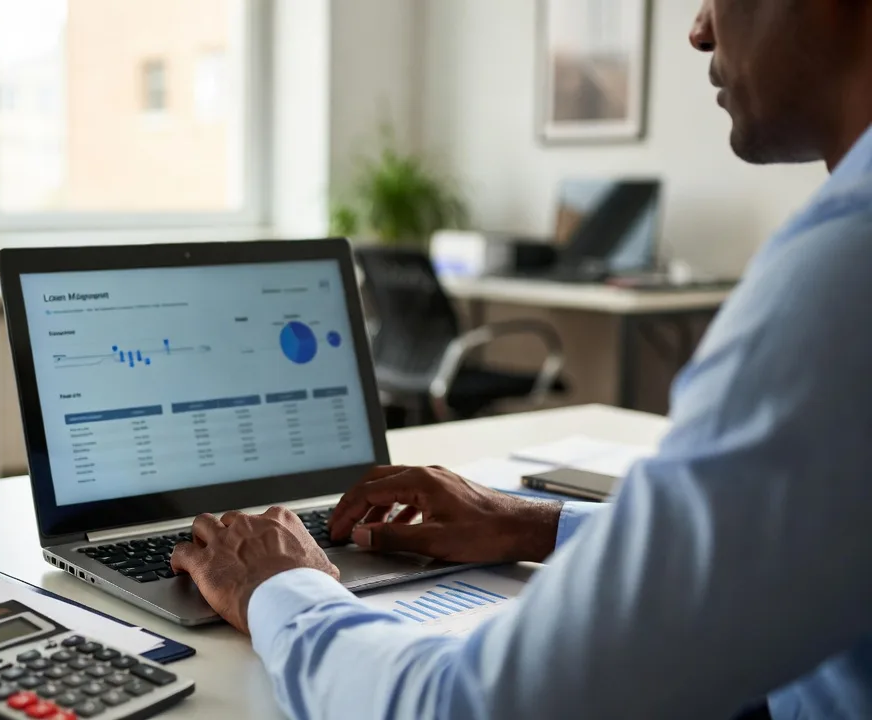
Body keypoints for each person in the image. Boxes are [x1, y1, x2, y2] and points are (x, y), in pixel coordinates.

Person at [169, 1, 872, 718]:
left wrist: (281, 589)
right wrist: (532, 523)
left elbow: (474, 707)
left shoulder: (846, 272)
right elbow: (757, 546)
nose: (698, 28)